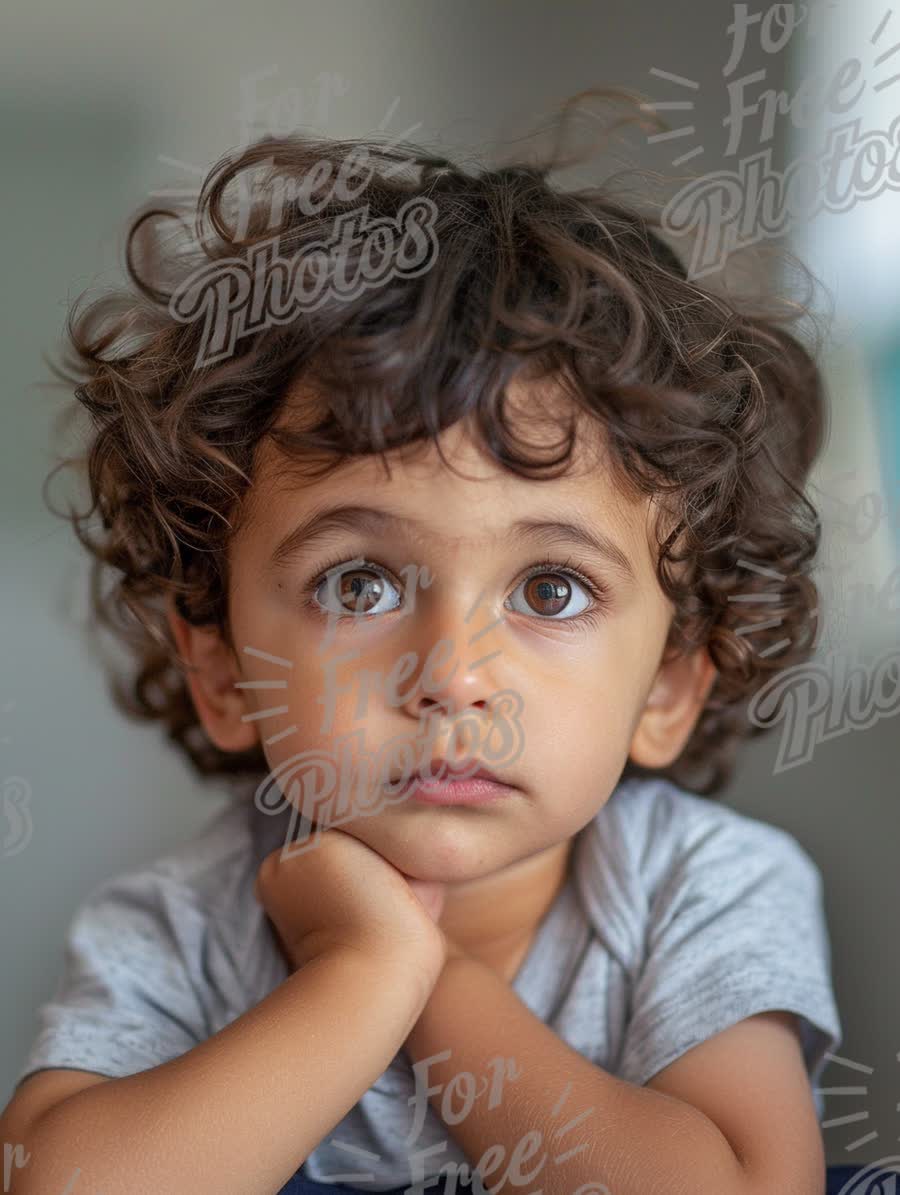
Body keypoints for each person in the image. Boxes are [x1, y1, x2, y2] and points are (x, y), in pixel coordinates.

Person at [0, 89, 842, 1195]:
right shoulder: (187, 922)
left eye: (549, 587)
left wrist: (425, 974)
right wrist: (356, 978)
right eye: (359, 582)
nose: (451, 674)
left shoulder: (704, 888)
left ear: (671, 686)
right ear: (220, 670)